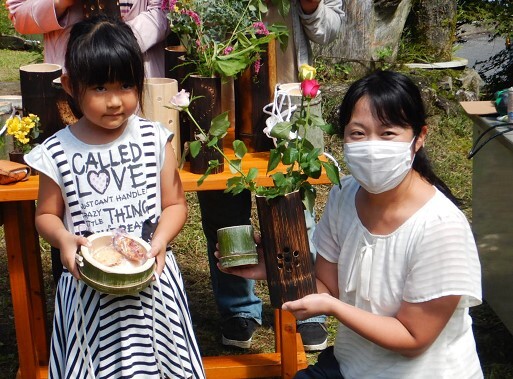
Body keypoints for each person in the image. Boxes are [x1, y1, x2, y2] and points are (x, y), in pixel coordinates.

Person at [218, 70, 483, 378]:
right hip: (351, 367)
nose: (372, 146)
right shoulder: (345, 195)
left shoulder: (441, 226)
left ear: (419, 137)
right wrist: (276, 270)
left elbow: (414, 339)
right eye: (358, 133)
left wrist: (334, 309)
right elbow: (329, 288)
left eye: (387, 134)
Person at [24, 16, 205, 378]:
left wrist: (160, 242)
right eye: (100, 88)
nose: (115, 101)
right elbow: (46, 214)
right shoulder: (57, 151)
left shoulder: (154, 139)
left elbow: (175, 204)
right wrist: (62, 239)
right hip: (88, 290)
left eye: (125, 85)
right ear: (71, 86)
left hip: (153, 289)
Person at [196, 0, 345, 352]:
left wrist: (311, 5)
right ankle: (238, 309)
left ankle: (306, 308)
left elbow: (329, 30)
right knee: (223, 206)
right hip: (219, 86)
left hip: (286, 96)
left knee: (293, 206)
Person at [6, 0, 168, 77]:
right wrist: (60, 3)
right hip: (70, 79)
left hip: (137, 74)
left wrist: (117, 42)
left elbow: (165, 11)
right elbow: (18, 14)